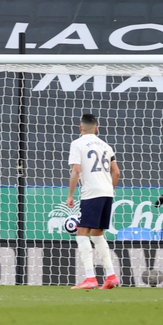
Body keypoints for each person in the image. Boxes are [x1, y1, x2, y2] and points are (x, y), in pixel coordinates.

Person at [66, 113, 121, 290]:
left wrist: (70, 195)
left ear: (80, 128)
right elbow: (117, 172)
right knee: (97, 234)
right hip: (107, 192)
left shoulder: (77, 143)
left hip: (91, 192)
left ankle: (90, 277)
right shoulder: (106, 145)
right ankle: (111, 276)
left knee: (82, 233)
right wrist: (109, 189)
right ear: (96, 128)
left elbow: (76, 171)